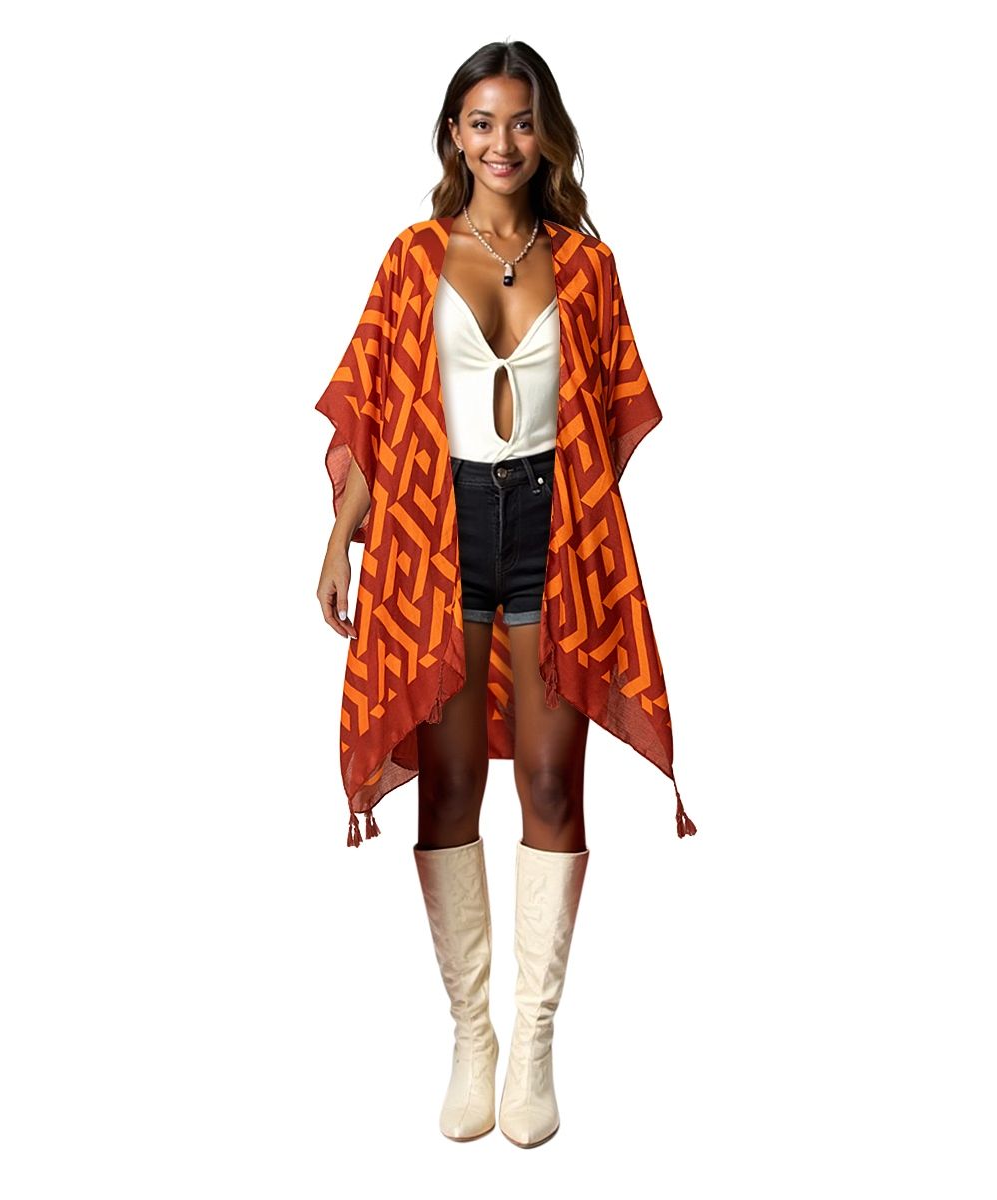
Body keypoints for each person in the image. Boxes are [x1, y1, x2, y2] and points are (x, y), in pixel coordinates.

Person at [315, 40, 690, 1148]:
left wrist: (572, 519)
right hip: (436, 532)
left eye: (521, 122)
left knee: (552, 783)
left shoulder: (587, 266)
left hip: (550, 532)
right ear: (453, 135)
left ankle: (533, 1044)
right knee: (447, 788)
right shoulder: (412, 257)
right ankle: (470, 1037)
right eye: (481, 123)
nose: (502, 143)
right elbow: (378, 413)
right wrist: (340, 539)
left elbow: (608, 421)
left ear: (547, 134)